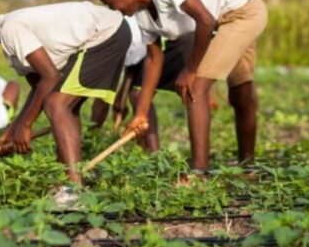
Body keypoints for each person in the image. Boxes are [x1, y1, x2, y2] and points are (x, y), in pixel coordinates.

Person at [95, 0, 267, 179]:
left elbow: (204, 20)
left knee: (196, 87)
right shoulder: (141, 16)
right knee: (240, 93)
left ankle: (200, 173)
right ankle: (247, 168)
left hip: (244, 10)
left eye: (112, 4)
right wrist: (141, 113)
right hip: (220, 23)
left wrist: (191, 69)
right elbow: (153, 59)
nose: (115, 11)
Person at [0, 1, 130, 203]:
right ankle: (69, 181)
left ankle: (72, 190)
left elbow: (50, 77)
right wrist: (11, 132)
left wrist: (26, 125)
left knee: (56, 104)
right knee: (65, 107)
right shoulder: (12, 48)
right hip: (107, 34)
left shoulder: (11, 29)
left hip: (106, 34)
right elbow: (38, 88)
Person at [90, 17, 218, 152]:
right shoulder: (120, 28)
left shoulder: (117, 35)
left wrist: (92, 133)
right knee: (136, 93)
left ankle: (155, 154)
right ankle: (148, 151)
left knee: (141, 95)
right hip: (156, 52)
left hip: (179, 47)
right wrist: (121, 98)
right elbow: (133, 65)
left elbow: (104, 96)